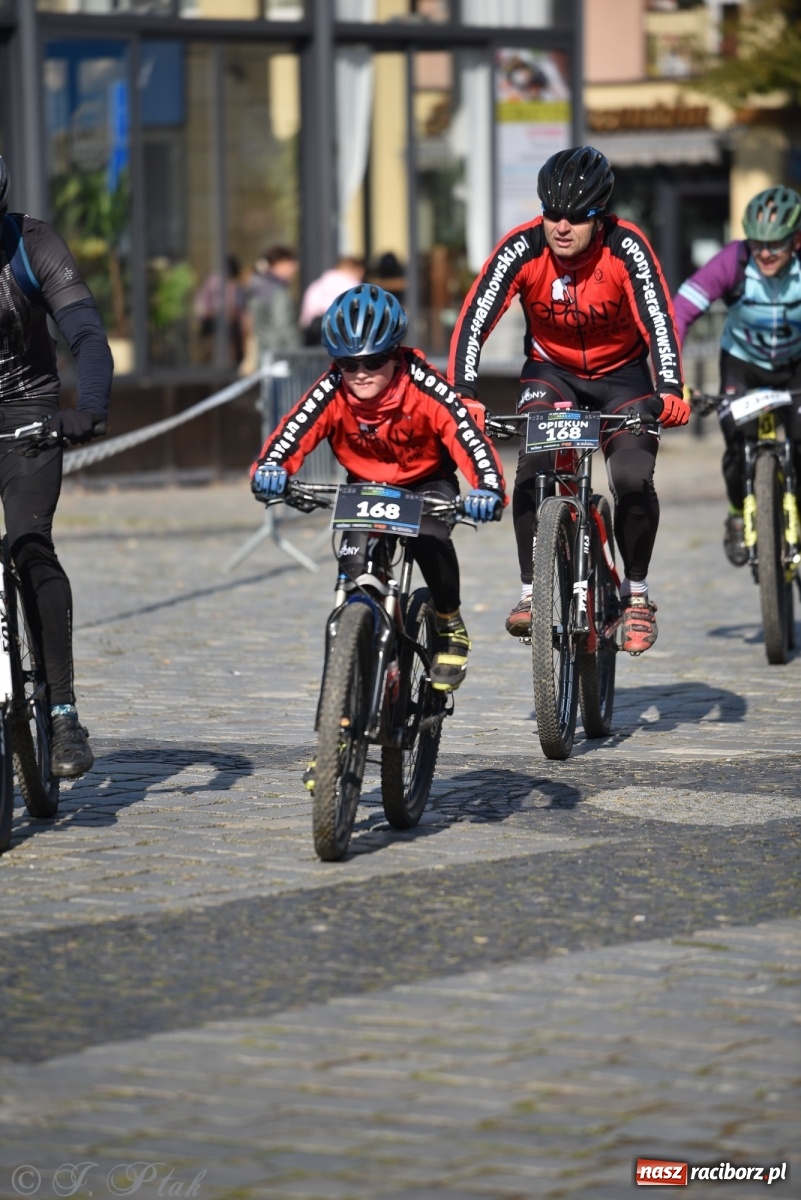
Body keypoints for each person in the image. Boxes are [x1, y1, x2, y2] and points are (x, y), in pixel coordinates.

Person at [447, 145, 689, 655]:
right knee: (534, 467)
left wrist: (669, 388)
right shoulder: (523, 247)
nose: (562, 226)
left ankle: (636, 594)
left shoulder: (627, 247)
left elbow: (658, 320)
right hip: (551, 373)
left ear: (599, 217)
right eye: (553, 213)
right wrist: (463, 392)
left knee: (631, 478)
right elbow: (475, 317)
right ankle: (532, 592)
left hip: (623, 377)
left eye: (577, 217)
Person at [251, 283, 507, 691]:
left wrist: (488, 488)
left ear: (395, 354)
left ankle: (447, 619)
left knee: (428, 536)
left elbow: (468, 438)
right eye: (348, 364)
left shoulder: (425, 386)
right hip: (365, 488)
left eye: (373, 361)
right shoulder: (332, 388)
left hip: (426, 482)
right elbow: (292, 433)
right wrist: (270, 469)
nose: (360, 374)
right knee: (353, 576)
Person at [0, 154, 112, 776]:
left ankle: (63, 712)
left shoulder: (32, 243)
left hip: (26, 412)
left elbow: (88, 337)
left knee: (29, 544)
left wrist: (87, 408)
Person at [673, 185, 801, 566]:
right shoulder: (733, 260)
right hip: (742, 363)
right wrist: (672, 378)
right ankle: (735, 511)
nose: (764, 253)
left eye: (775, 245)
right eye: (757, 243)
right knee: (735, 446)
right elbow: (679, 312)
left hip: (796, 366)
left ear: (795, 239)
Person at [240, 245, 300, 373]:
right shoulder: (277, 291)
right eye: (291, 262)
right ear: (278, 264)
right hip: (280, 359)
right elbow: (283, 327)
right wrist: (297, 355)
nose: (295, 267)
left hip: (263, 357)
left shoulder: (256, 287)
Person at [298, 255, 365, 347]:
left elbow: (306, 317)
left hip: (314, 334)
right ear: (358, 270)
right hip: (342, 335)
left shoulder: (316, 285)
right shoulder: (352, 286)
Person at [194, 254, 245, 367]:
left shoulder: (230, 283)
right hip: (215, 323)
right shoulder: (217, 281)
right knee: (217, 351)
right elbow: (203, 303)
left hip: (224, 323)